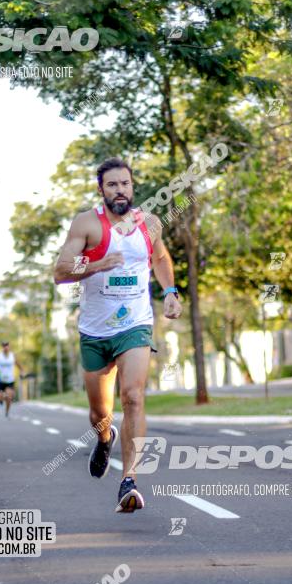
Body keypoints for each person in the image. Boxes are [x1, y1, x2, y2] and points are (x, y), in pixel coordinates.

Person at [53, 157, 182, 513]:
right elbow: (60, 271)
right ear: (101, 190)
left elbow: (160, 259)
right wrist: (95, 265)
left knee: (134, 396)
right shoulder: (87, 224)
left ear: (132, 186)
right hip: (95, 331)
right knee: (100, 414)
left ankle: (129, 480)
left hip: (135, 325)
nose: (120, 190)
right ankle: (104, 437)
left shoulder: (149, 224)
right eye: (112, 185)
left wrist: (170, 292)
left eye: (125, 183)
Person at [0, 341, 25, 417]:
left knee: (9, 396)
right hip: (0, 380)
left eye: (7, 345)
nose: (5, 347)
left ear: (9, 346)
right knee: (0, 397)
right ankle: (0, 400)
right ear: (2, 347)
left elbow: (19, 365)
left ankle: (7, 412)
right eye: (4, 346)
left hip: (10, 380)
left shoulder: (13, 356)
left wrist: (22, 372)